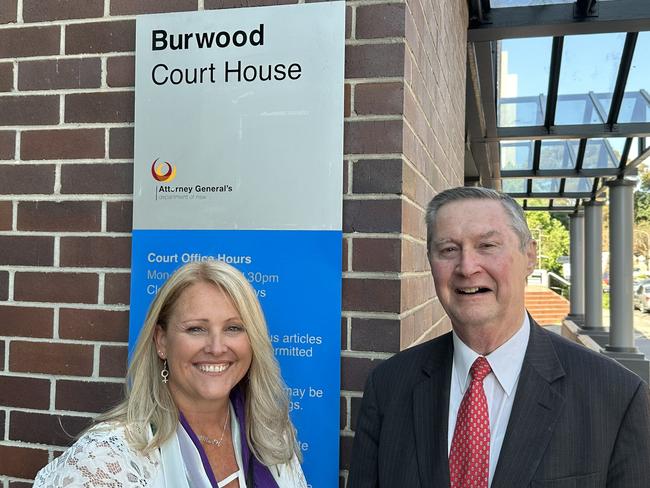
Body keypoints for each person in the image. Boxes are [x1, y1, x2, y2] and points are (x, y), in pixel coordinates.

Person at [349, 186, 650, 487]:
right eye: (449, 250)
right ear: (430, 263)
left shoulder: (616, 398)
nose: (467, 267)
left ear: (529, 257)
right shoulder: (388, 386)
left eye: (487, 245)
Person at [34, 261, 307, 488]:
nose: (216, 347)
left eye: (234, 328)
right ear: (162, 341)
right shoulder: (108, 458)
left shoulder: (272, 436)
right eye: (196, 329)